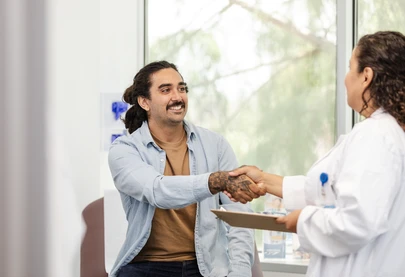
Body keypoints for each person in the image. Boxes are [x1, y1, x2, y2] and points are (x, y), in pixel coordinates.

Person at [228, 31, 405, 276]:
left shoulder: (376, 135)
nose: (345, 79)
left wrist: (303, 221)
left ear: (366, 76)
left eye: (349, 67)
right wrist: (265, 180)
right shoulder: (389, 133)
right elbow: (328, 192)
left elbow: (358, 222)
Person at [108, 61, 263, 277]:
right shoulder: (125, 151)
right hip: (145, 267)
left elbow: (240, 215)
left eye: (182, 88)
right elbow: (157, 191)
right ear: (145, 102)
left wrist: (239, 272)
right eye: (166, 90)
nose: (177, 96)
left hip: (205, 267)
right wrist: (214, 181)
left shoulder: (215, 144)